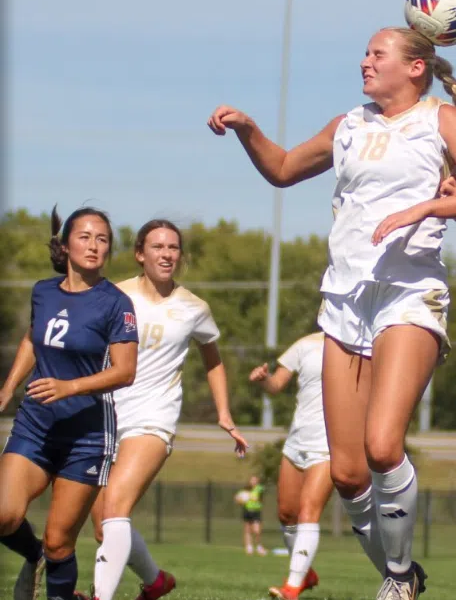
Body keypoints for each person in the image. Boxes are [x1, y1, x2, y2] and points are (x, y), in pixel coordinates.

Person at [208, 25, 456, 600]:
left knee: (381, 446)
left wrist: (426, 206)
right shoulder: (348, 124)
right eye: (365, 53)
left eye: (377, 54)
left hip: (409, 293)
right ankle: (404, 573)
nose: (365, 62)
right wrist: (249, 131)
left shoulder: (442, 120)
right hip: (343, 302)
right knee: (347, 474)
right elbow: (283, 168)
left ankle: (397, 581)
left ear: (415, 66)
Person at [90, 219, 249, 600]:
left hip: (153, 418)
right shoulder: (113, 295)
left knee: (114, 508)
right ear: (140, 253)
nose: (167, 254)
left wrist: (223, 413)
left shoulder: (194, 308)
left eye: (173, 248)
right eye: (158, 247)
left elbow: (213, 358)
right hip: (105, 416)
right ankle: (156, 581)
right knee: (103, 526)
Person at [0, 206, 139, 600]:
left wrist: (69, 387)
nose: (94, 246)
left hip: (88, 433)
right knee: (4, 515)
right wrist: (8, 387)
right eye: (85, 237)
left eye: (102, 239)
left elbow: (125, 372)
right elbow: (32, 339)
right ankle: (33, 556)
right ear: (65, 245)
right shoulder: (43, 291)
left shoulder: (116, 303)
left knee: (61, 542)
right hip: (36, 425)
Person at [249, 331, 333, 600]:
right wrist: (264, 381)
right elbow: (276, 385)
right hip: (297, 440)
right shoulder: (306, 344)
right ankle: (306, 574)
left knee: (309, 511)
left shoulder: (360, 343)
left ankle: (292, 587)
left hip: (329, 444)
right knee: (287, 514)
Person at [235, 476, 267, 555]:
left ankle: (259, 546)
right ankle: (249, 547)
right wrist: (239, 500)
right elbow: (238, 499)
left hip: (256, 511)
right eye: (252, 480)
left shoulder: (259, 488)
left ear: (258, 481)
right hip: (247, 511)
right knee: (247, 529)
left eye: (255, 480)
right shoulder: (245, 489)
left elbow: (257, 497)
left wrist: (248, 496)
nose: (253, 481)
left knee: (257, 530)